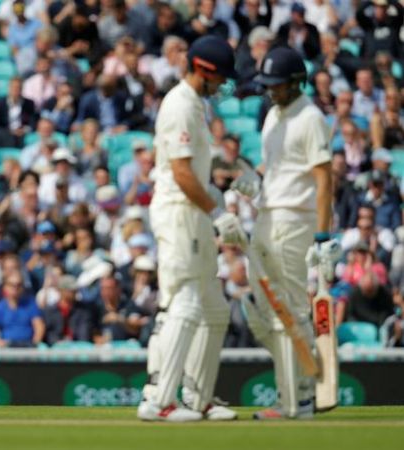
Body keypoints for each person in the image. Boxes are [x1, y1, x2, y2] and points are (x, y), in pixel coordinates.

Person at [136, 35, 240, 423]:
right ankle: (159, 401)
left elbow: (195, 172)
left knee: (214, 310)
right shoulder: (179, 104)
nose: (225, 85)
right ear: (204, 71)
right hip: (180, 213)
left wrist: (222, 203)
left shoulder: (196, 106)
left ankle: (199, 398)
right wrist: (217, 213)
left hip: (194, 211)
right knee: (185, 302)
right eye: (222, 77)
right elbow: (180, 174)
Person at [232, 47, 336, 420]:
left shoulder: (310, 118)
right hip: (266, 215)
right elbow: (276, 164)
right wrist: (254, 179)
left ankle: (299, 400)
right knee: (261, 311)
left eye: (277, 86)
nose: (271, 92)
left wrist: (323, 237)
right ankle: (296, 389)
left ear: (296, 83)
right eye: (268, 85)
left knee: (288, 310)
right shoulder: (274, 115)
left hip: (296, 220)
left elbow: (324, 181)